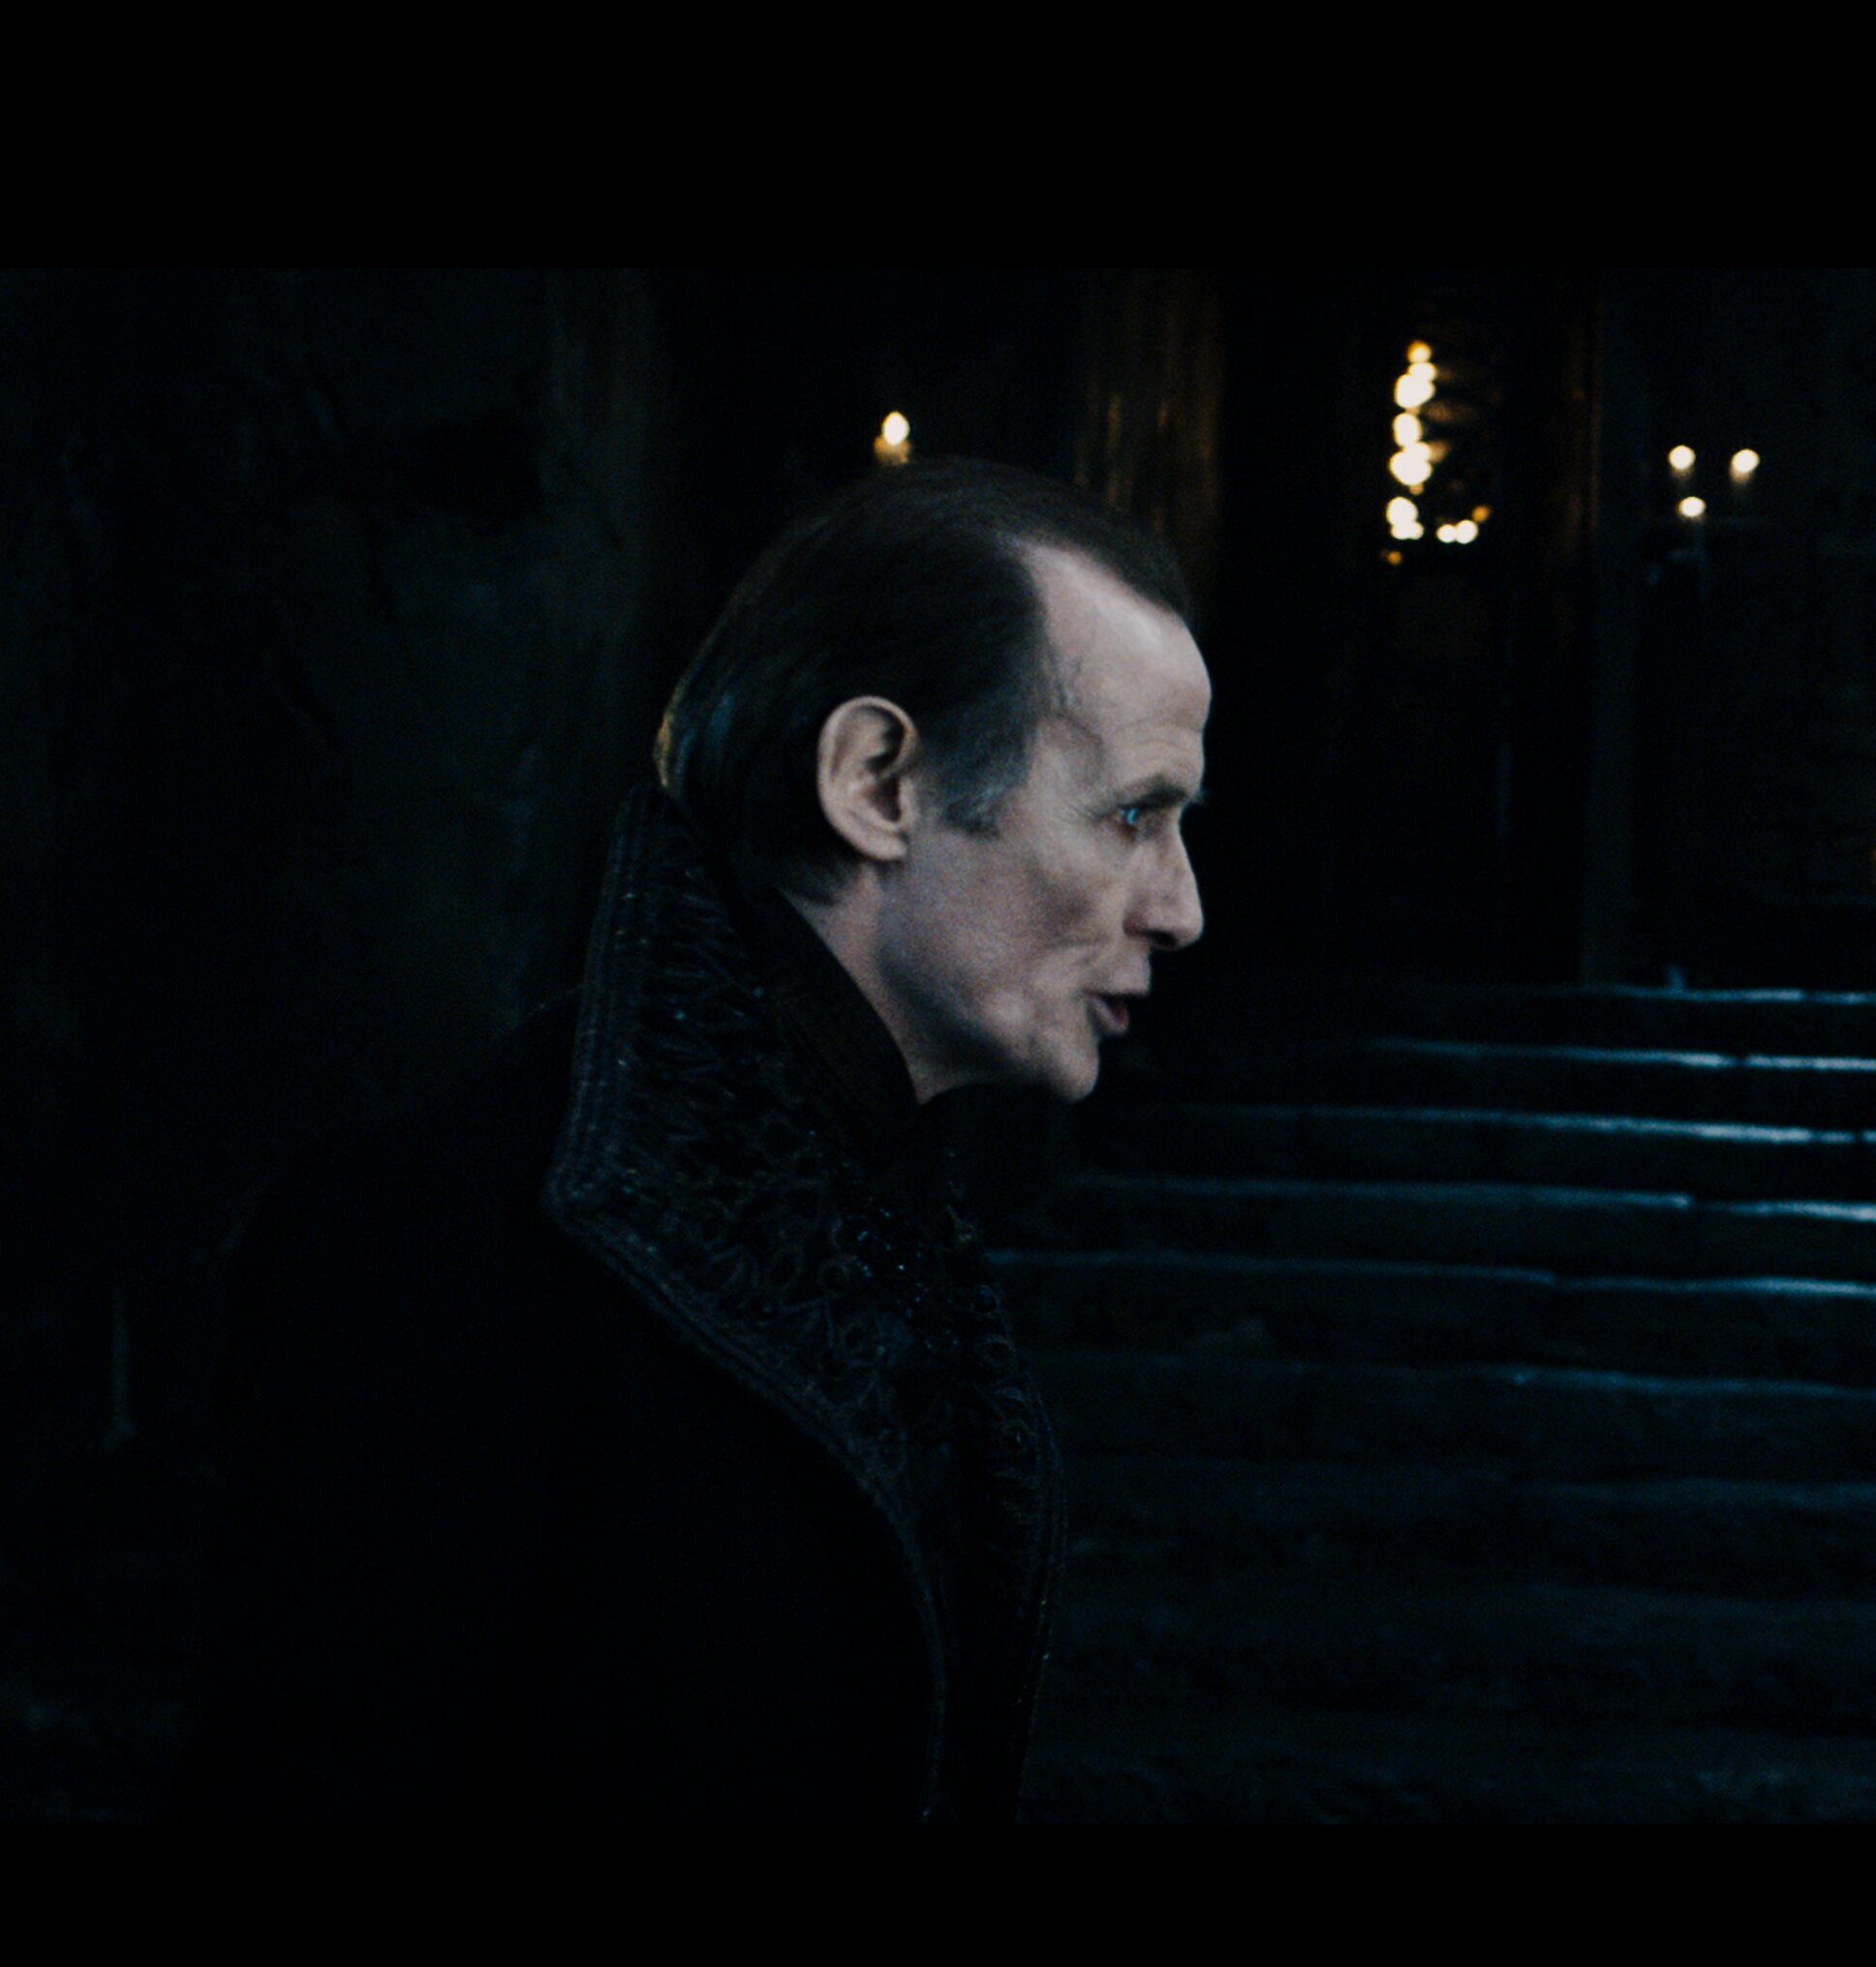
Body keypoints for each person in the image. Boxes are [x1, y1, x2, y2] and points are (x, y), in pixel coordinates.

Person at [180, 458, 1210, 1822]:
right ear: (877, 782)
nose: (1180, 908)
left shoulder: (875, 1196)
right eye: (1133, 816)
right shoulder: (443, 1236)